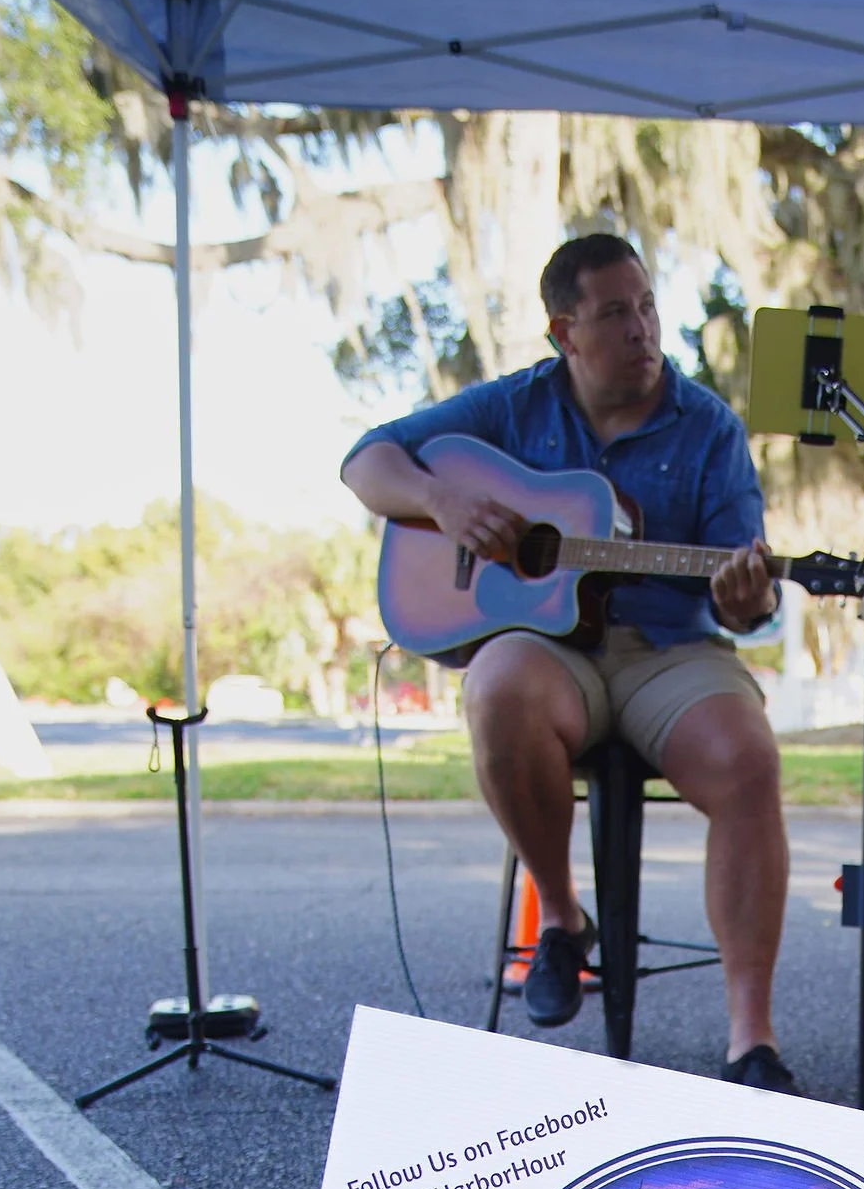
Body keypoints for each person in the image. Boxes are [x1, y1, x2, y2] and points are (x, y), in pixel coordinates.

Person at [342, 233, 801, 1091]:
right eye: (615, 313)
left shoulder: (706, 425)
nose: (642, 329)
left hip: (670, 646)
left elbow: (743, 587)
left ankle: (750, 1039)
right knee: (497, 684)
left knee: (748, 757)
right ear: (565, 332)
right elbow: (366, 463)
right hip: (552, 651)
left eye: (648, 307)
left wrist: (749, 595)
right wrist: (441, 501)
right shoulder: (512, 407)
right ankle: (561, 919)